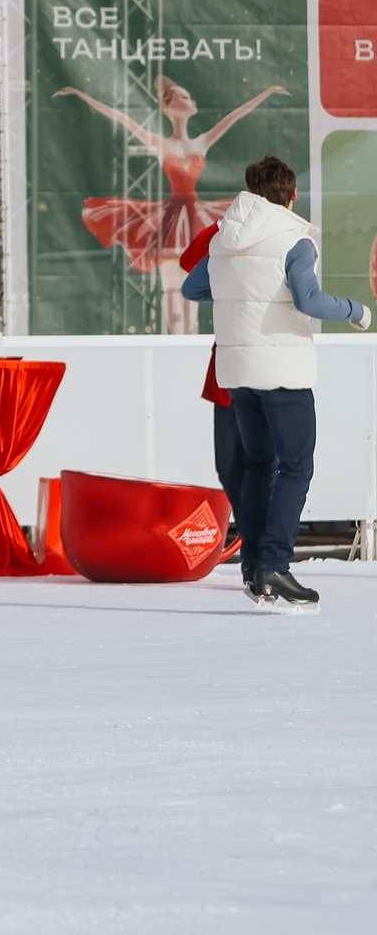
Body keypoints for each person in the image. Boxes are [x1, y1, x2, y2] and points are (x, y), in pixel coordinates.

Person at [179, 155, 368, 612]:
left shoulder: (225, 240)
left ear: (249, 191)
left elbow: (191, 288)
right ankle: (276, 566)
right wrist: (355, 311)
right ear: (293, 195)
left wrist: (232, 293)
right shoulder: (293, 239)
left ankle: (254, 568)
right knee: (297, 465)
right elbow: (309, 299)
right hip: (283, 372)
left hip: (238, 375)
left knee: (258, 467)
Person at [59, 77, 287, 332]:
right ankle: (174, 341)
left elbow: (234, 116)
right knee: (170, 290)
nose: (191, 101)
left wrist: (266, 92)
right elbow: (122, 119)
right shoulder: (160, 143)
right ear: (171, 105)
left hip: (194, 217)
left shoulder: (201, 141)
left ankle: (189, 342)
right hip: (169, 220)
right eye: (184, 97)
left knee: (192, 288)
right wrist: (81, 94)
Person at [178, 223, 252, 584]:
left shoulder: (284, 237)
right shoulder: (228, 237)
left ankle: (264, 549)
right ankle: (256, 541)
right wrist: (222, 227)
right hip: (227, 371)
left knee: (263, 466)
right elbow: (189, 263)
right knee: (228, 467)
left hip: (263, 370)